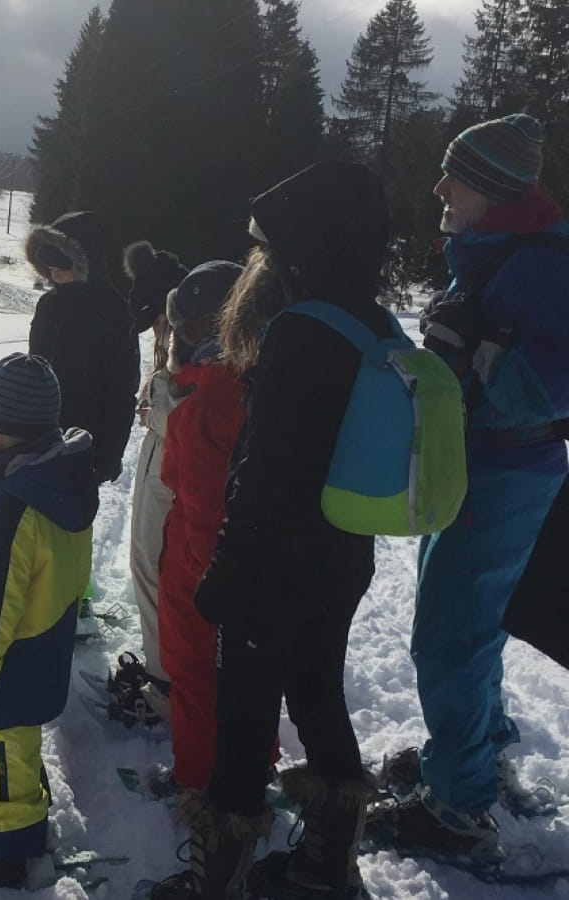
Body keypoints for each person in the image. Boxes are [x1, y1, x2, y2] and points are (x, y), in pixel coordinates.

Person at [167, 162, 391, 900]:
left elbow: (265, 470)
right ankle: (328, 864)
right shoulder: (372, 319)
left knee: (244, 717)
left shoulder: (298, 331)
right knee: (320, 691)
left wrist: (228, 570)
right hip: (342, 554)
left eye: (267, 244)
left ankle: (218, 881)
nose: (258, 259)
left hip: (273, 564)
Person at [398, 113, 569, 857]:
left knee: (450, 636)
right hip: (477, 463)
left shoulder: (540, 262)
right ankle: (475, 749)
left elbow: (549, 378)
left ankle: (457, 810)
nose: (439, 187)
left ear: (494, 190)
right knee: (467, 625)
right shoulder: (497, 248)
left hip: (508, 470)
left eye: (455, 176)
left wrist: (479, 362)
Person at [0, 353, 98, 889]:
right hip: (38, 650)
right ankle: (23, 821)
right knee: (16, 753)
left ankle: (9, 858)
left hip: (1, 671)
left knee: (2, 765)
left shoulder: (16, 509)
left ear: (2, 431)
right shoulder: (60, 481)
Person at [152, 261, 247, 806]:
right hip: (236, 567)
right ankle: (247, 760)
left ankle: (199, 783)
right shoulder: (250, 384)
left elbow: (205, 509)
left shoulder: (208, 405)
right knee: (241, 675)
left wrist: (200, 585)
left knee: (195, 677)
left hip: (202, 574)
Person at [114, 240, 191, 725]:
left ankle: (165, 685)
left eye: (158, 322)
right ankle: (166, 669)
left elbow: (181, 412)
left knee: (155, 564)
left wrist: (154, 399)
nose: (156, 333)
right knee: (152, 564)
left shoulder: (196, 330)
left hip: (173, 464)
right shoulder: (182, 321)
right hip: (164, 458)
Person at [25, 212, 140, 485]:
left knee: (70, 524)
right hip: (39, 442)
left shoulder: (114, 313)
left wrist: (109, 455)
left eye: (61, 271)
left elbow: (122, 392)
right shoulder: (48, 306)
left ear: (83, 264)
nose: (55, 278)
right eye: (51, 272)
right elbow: (34, 372)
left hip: (85, 446)